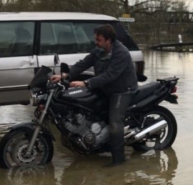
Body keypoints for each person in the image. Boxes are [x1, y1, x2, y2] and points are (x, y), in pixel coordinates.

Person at [51, 24, 137, 166]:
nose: (95, 42)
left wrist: (86, 83)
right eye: (95, 39)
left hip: (122, 90)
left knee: (115, 122)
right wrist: (65, 75)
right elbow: (84, 63)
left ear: (108, 40)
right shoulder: (99, 50)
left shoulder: (121, 53)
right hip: (105, 88)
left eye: (98, 39)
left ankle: (119, 159)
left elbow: (110, 75)